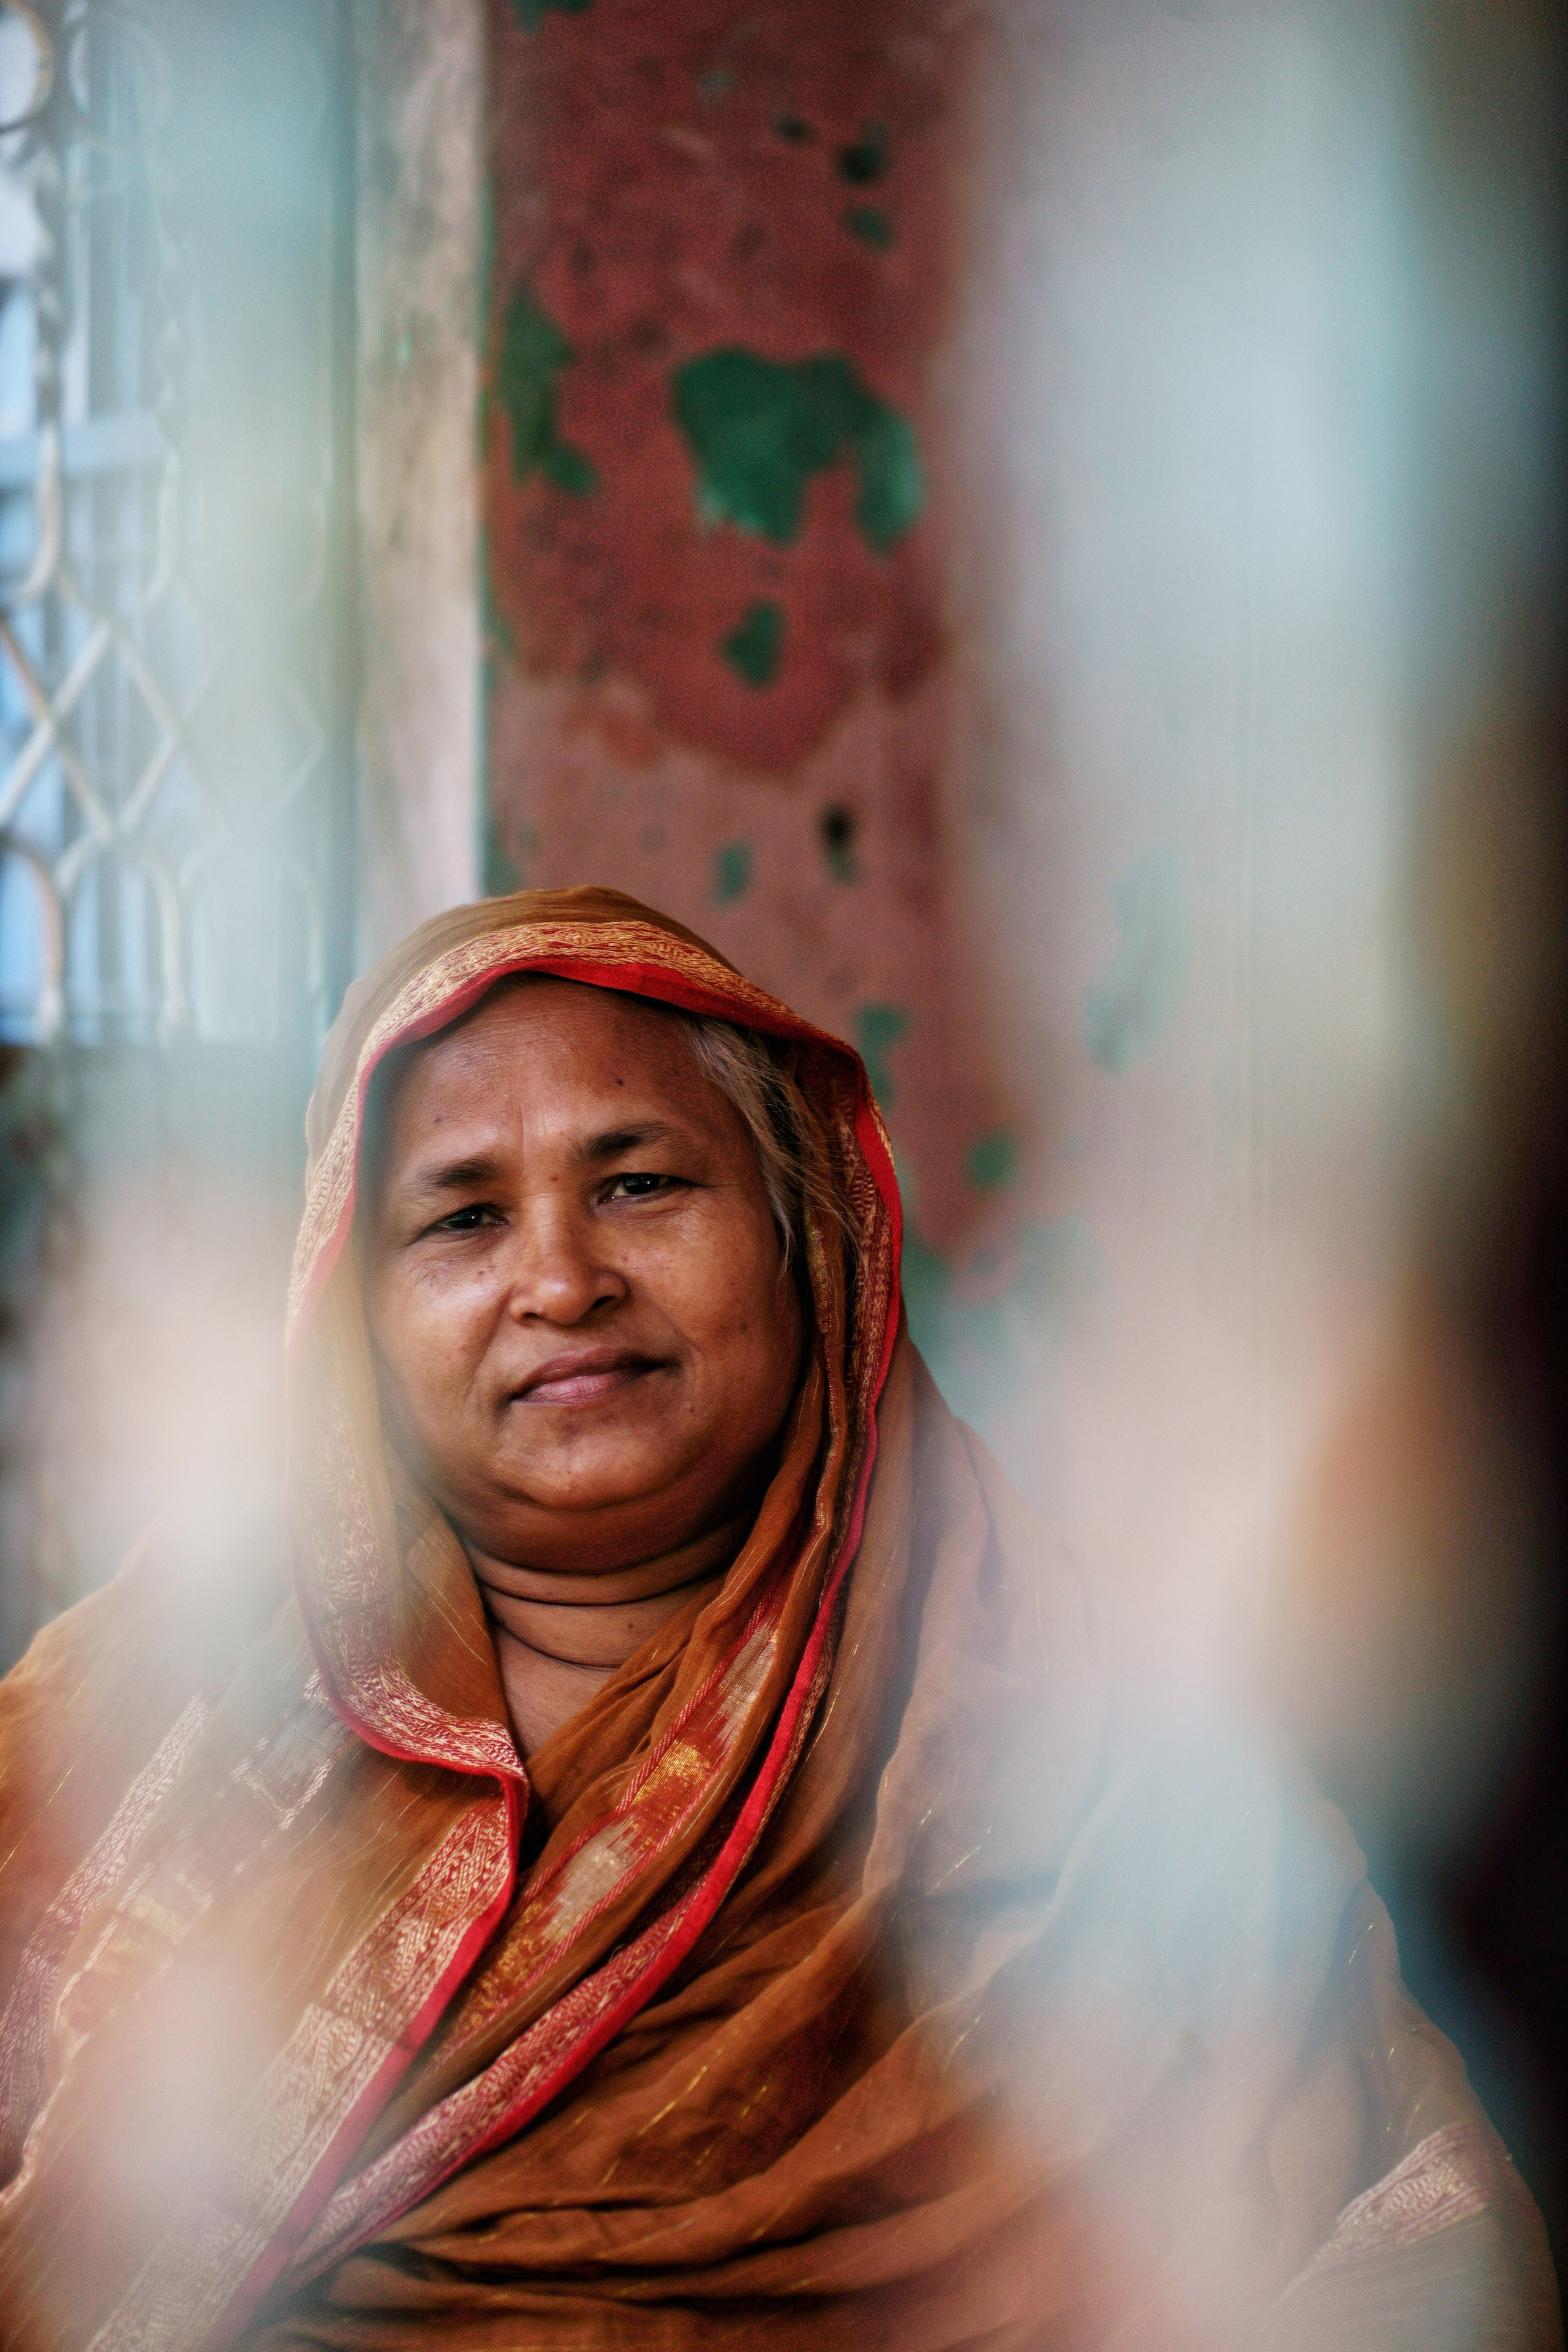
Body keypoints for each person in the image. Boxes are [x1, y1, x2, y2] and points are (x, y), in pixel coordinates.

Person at [0, 886, 1556, 2352]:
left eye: (639, 1182)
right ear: (350, 1316)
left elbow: (1398, 2252)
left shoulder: (1077, 1733)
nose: (561, 1277)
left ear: (808, 1240)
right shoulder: (144, 1720)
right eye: (463, 1220)